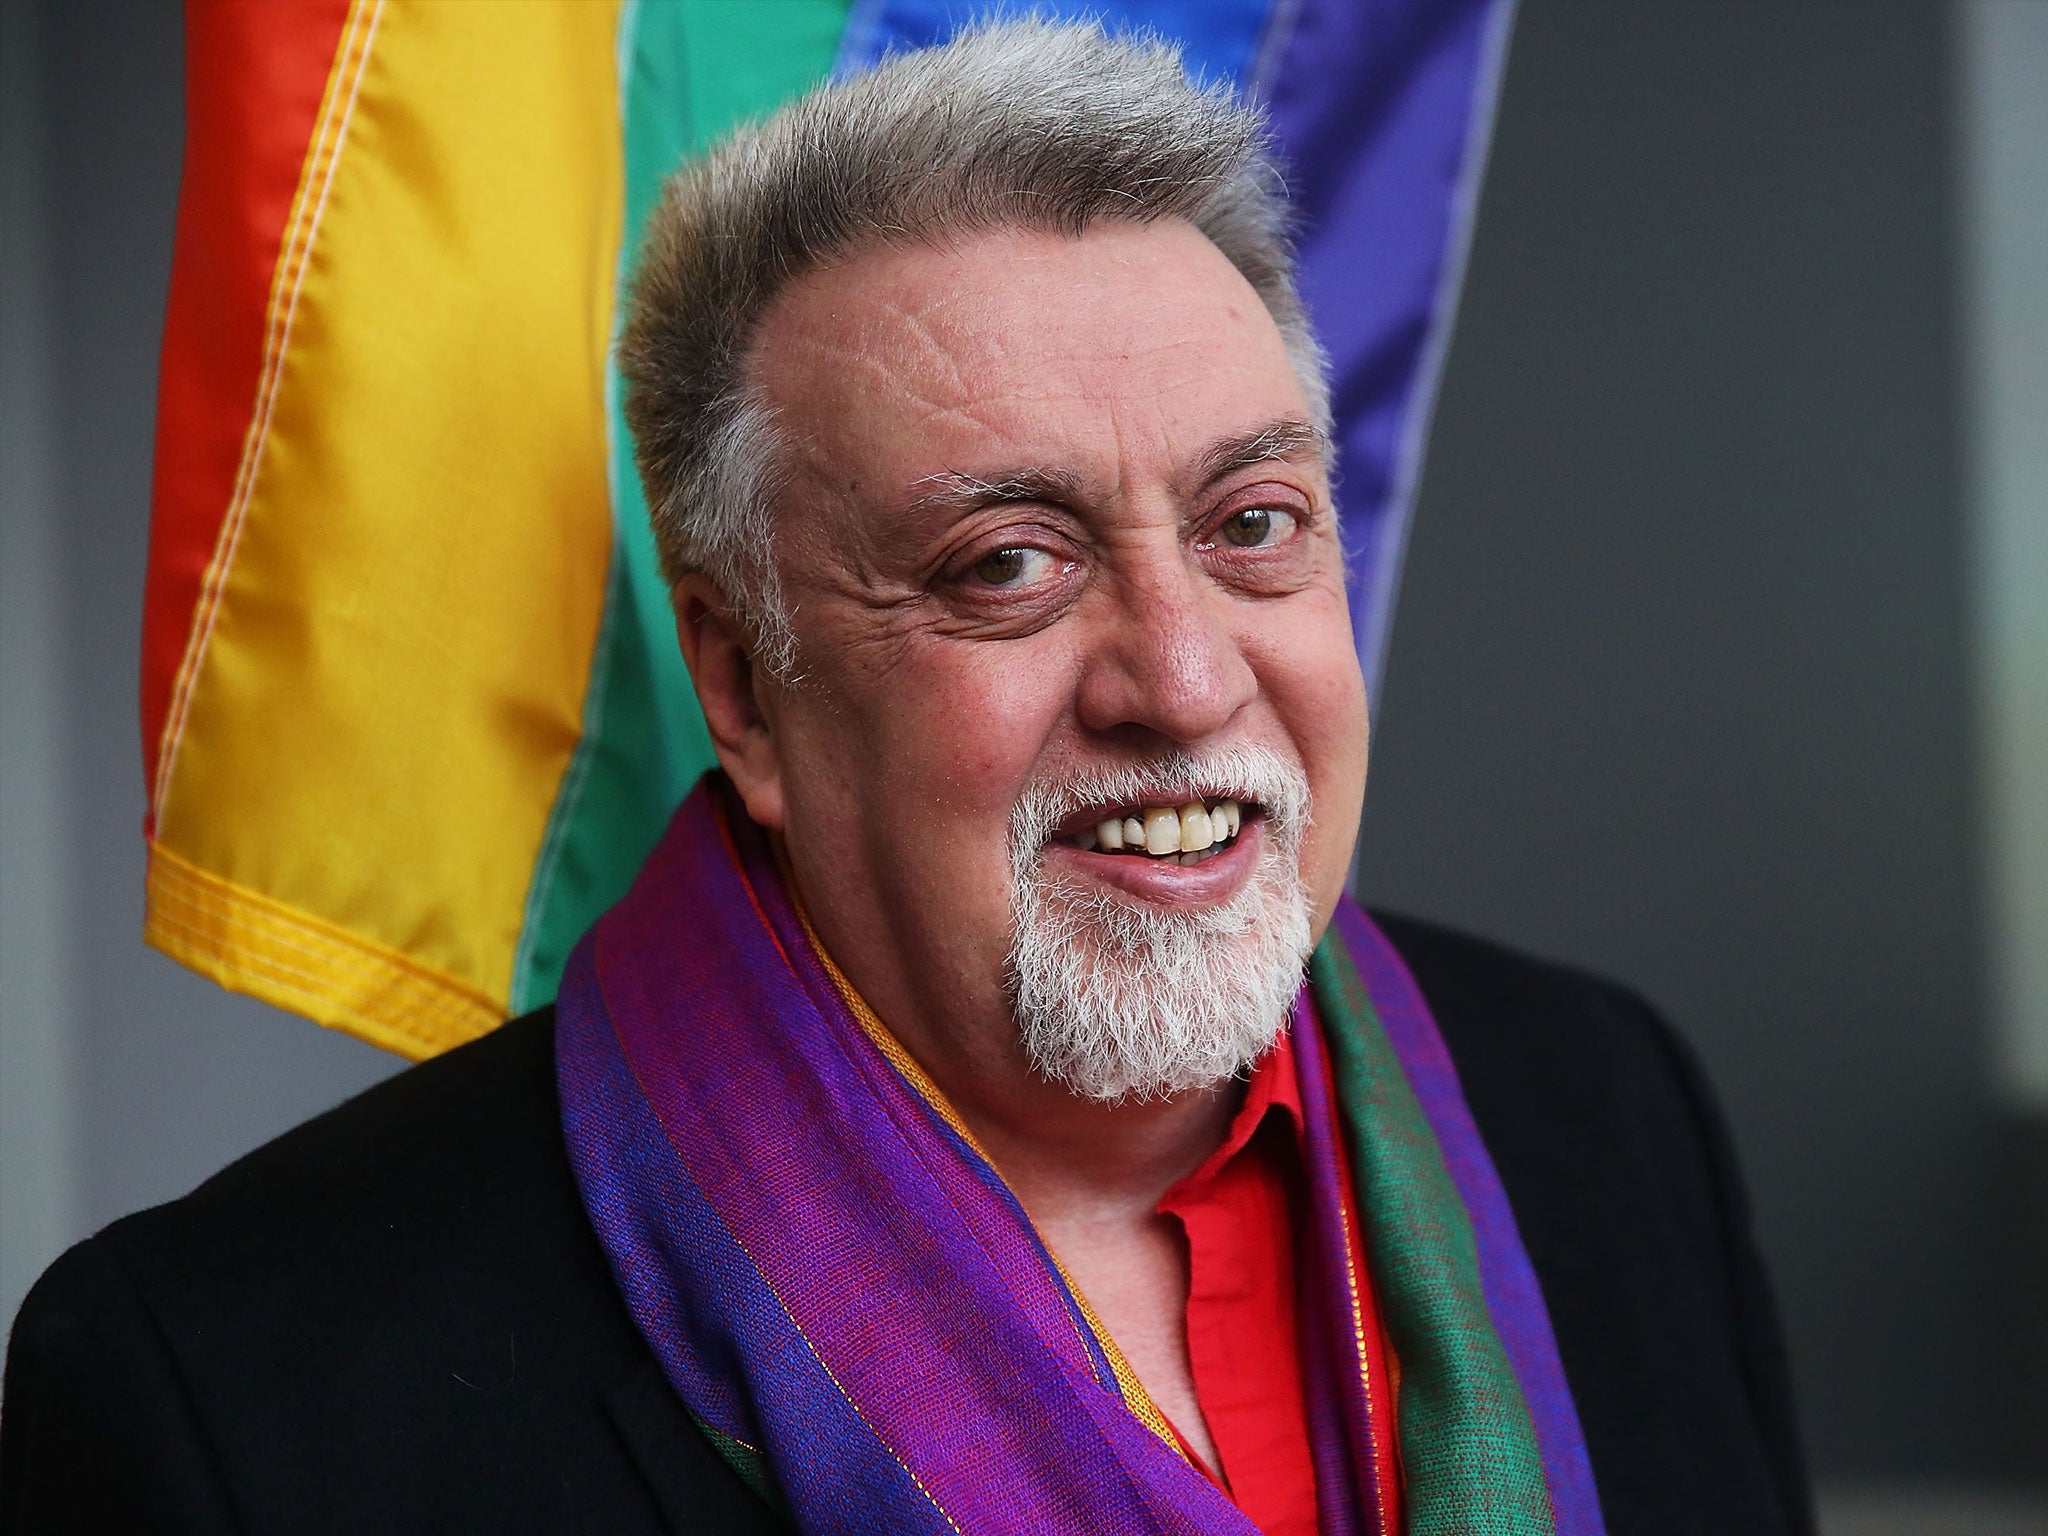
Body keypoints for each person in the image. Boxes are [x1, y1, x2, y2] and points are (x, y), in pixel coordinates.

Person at [2, 22, 1811, 1535]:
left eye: (1255, 526)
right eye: (1005, 564)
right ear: (745, 689)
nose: (1182, 680)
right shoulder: (236, 1397)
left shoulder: (1607, 1114)